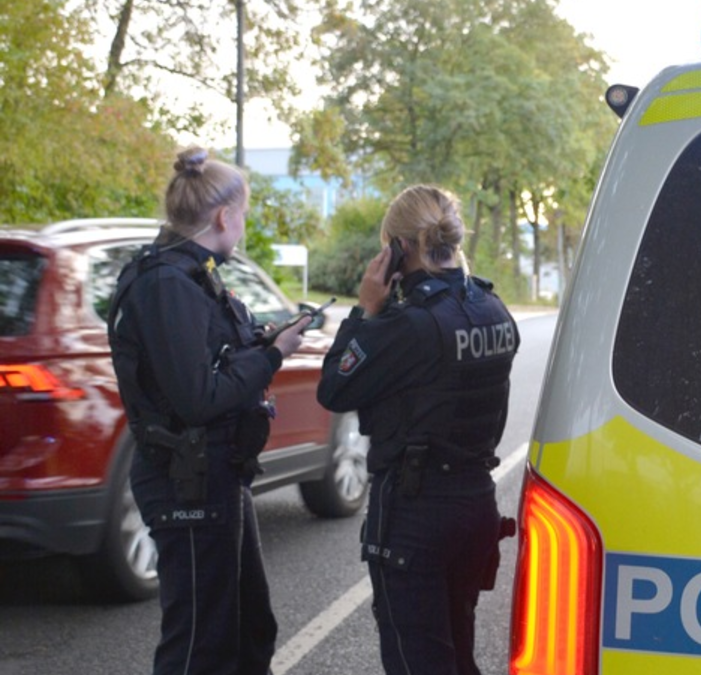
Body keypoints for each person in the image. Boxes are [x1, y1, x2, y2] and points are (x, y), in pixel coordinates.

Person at [107, 146, 310, 675]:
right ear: (223, 216)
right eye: (242, 214)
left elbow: (207, 361)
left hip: (217, 473)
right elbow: (196, 398)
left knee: (247, 630)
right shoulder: (166, 284)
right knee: (201, 644)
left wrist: (262, 341)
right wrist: (272, 356)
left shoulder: (192, 276)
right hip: (186, 479)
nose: (242, 225)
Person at [317, 184, 520, 675]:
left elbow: (335, 388)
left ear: (396, 249)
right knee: (458, 654)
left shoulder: (409, 326)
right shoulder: (495, 310)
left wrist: (367, 310)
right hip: (474, 505)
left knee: (418, 662)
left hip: (416, 516)